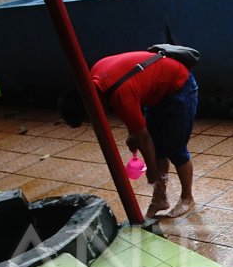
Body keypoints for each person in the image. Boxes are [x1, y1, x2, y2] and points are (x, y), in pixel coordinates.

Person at [59, 50, 199, 219]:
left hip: (179, 85)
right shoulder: (96, 79)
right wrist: (133, 134)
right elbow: (133, 93)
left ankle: (187, 198)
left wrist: (152, 170)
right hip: (156, 92)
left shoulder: (120, 95)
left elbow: (143, 136)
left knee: (175, 148)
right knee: (157, 148)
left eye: (90, 118)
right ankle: (160, 199)